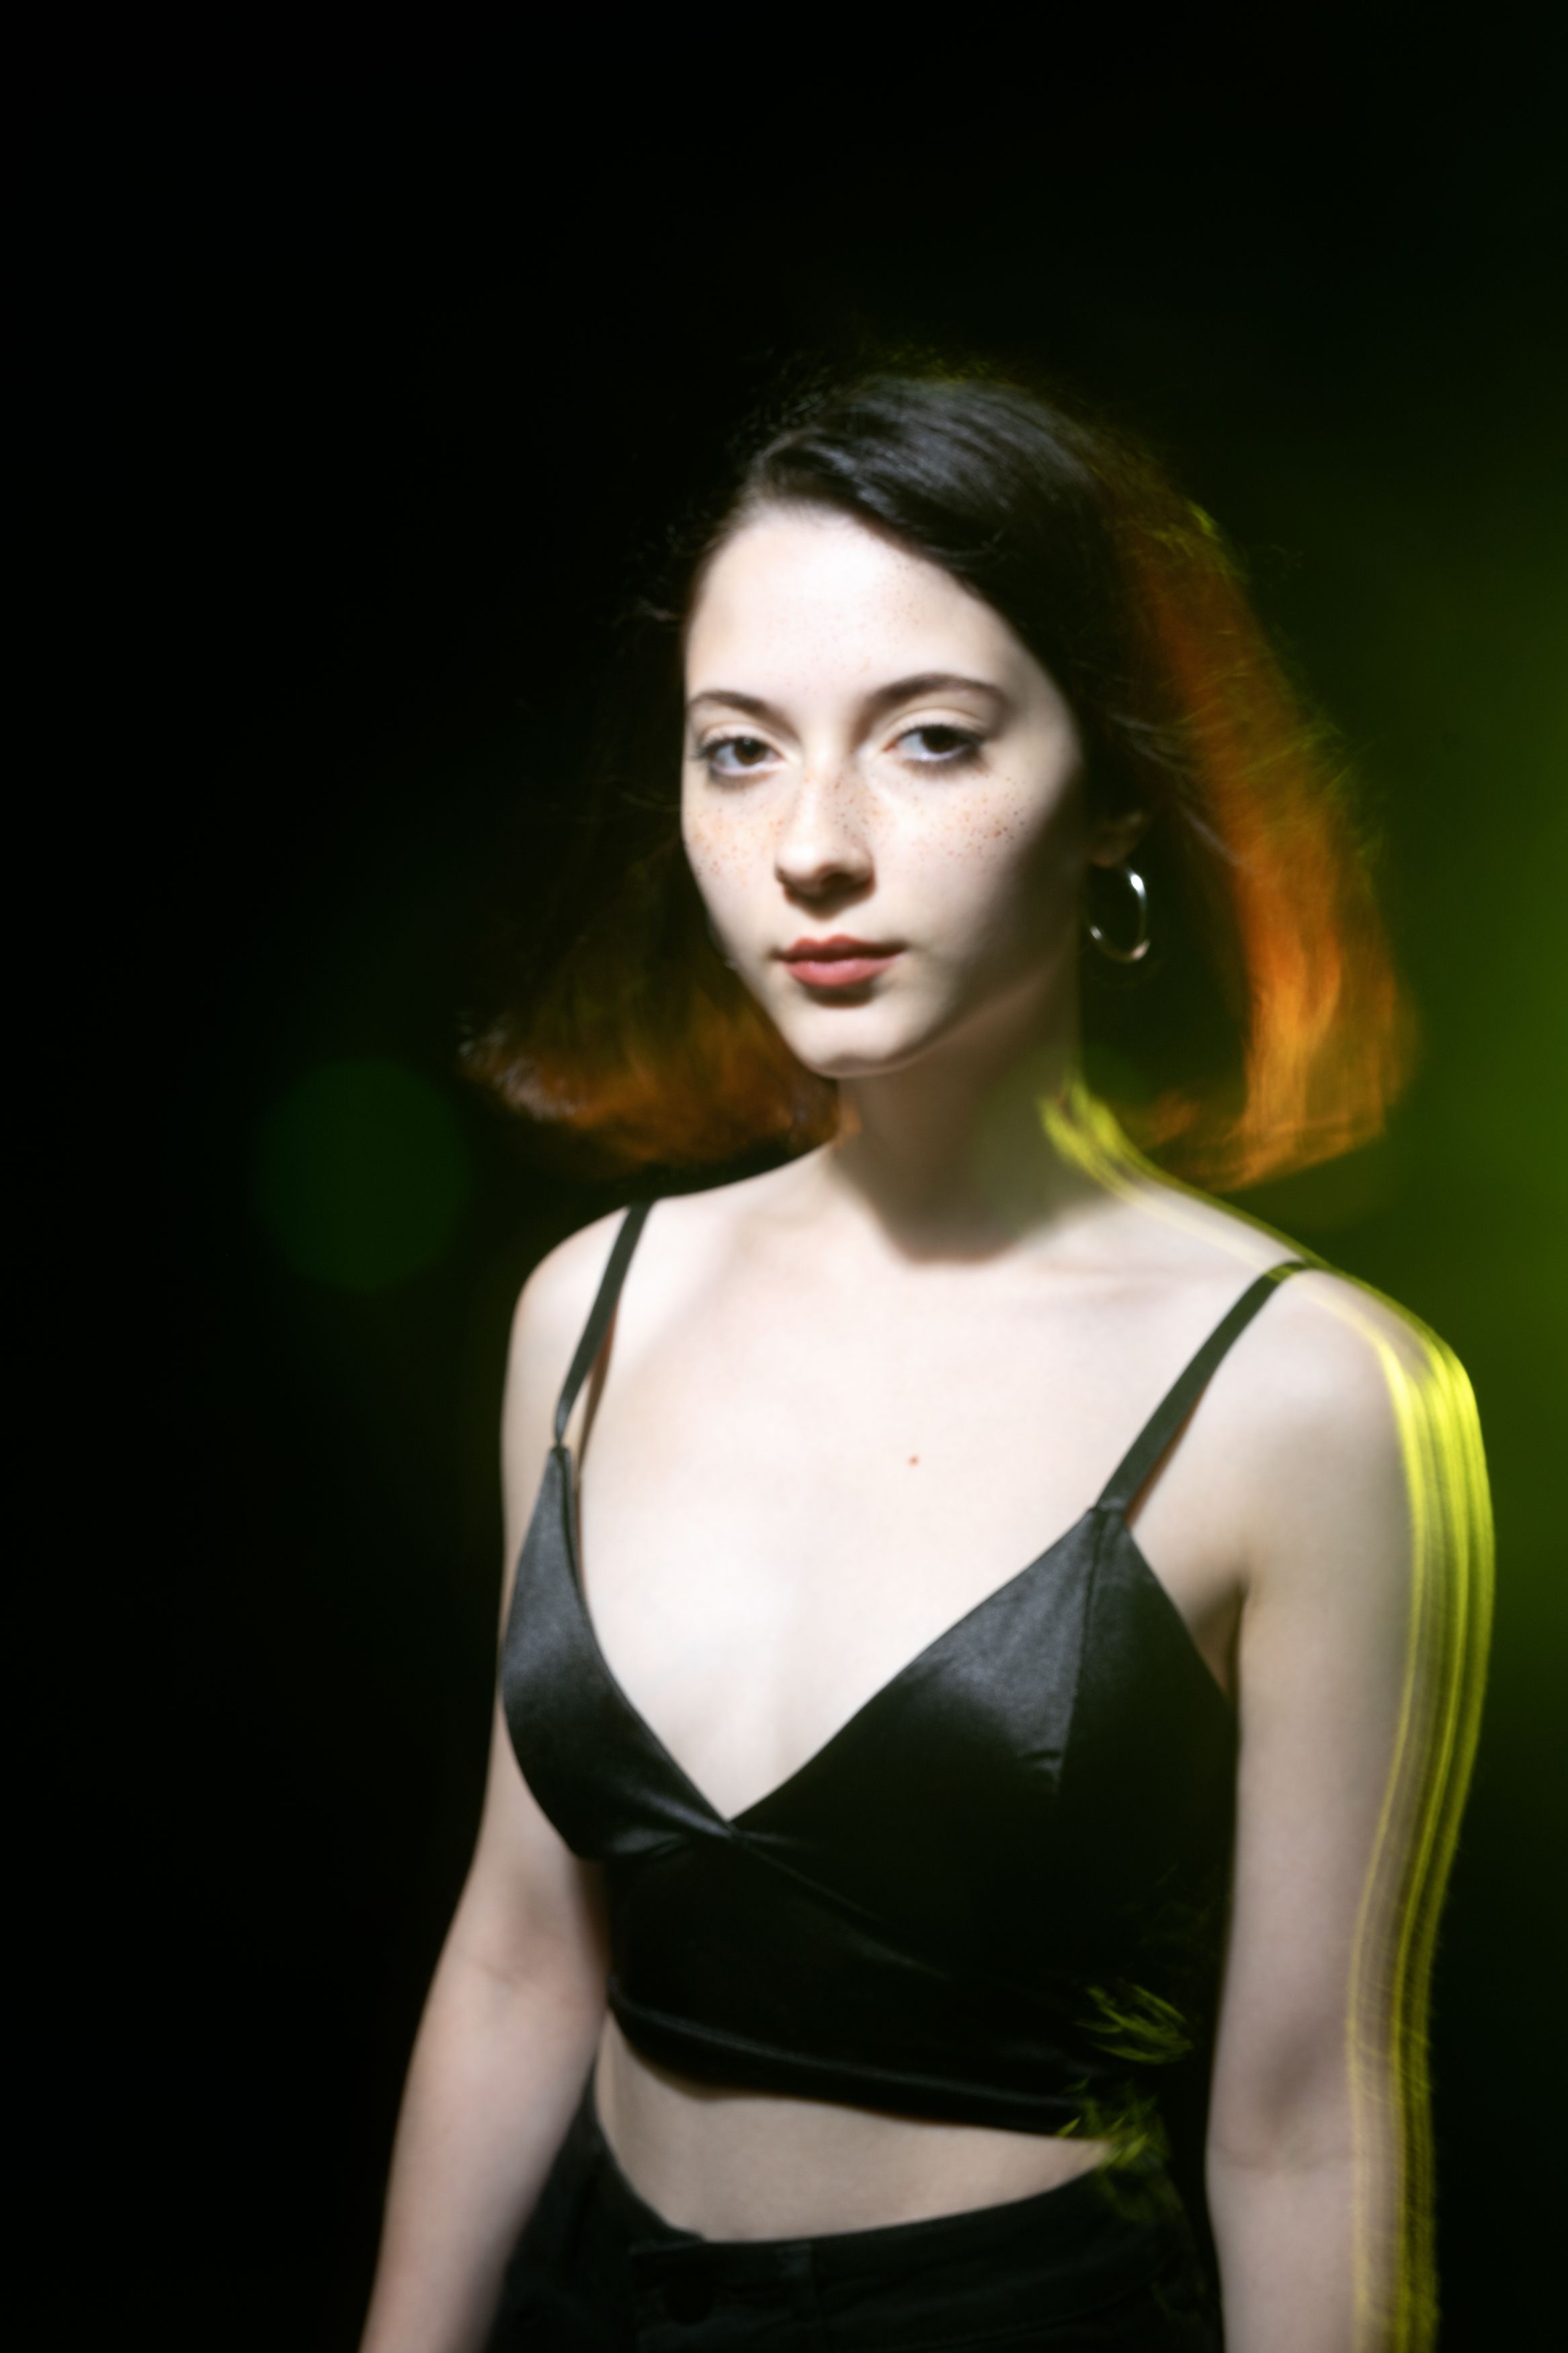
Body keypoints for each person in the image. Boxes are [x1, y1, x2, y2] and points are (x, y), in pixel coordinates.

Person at [358, 366, 1491, 2352]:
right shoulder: (590, 1307)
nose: (812, 846)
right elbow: (523, 1957)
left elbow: (1307, 2127)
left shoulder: (1315, 1397)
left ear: (1114, 791)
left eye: (933, 739)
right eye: (737, 752)